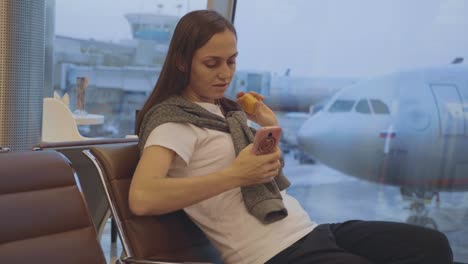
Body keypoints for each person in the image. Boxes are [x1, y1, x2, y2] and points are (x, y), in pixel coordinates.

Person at [129, 9, 453, 264]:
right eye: (211, 64)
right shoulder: (174, 122)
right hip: (271, 253)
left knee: (431, 246)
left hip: (307, 230)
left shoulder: (225, 113)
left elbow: (261, 174)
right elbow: (143, 197)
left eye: (231, 61)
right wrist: (234, 175)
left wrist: (267, 128)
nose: (225, 73)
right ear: (182, 62)